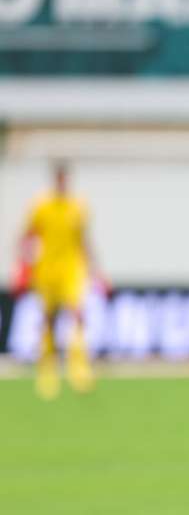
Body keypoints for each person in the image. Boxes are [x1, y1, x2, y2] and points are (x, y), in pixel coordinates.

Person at [13, 161, 104, 399]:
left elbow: (84, 241)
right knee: (49, 320)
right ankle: (47, 371)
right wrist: (21, 268)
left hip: (72, 270)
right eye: (60, 179)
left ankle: (78, 369)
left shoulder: (77, 207)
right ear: (55, 180)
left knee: (77, 315)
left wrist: (96, 272)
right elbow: (25, 237)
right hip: (47, 270)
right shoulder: (40, 206)